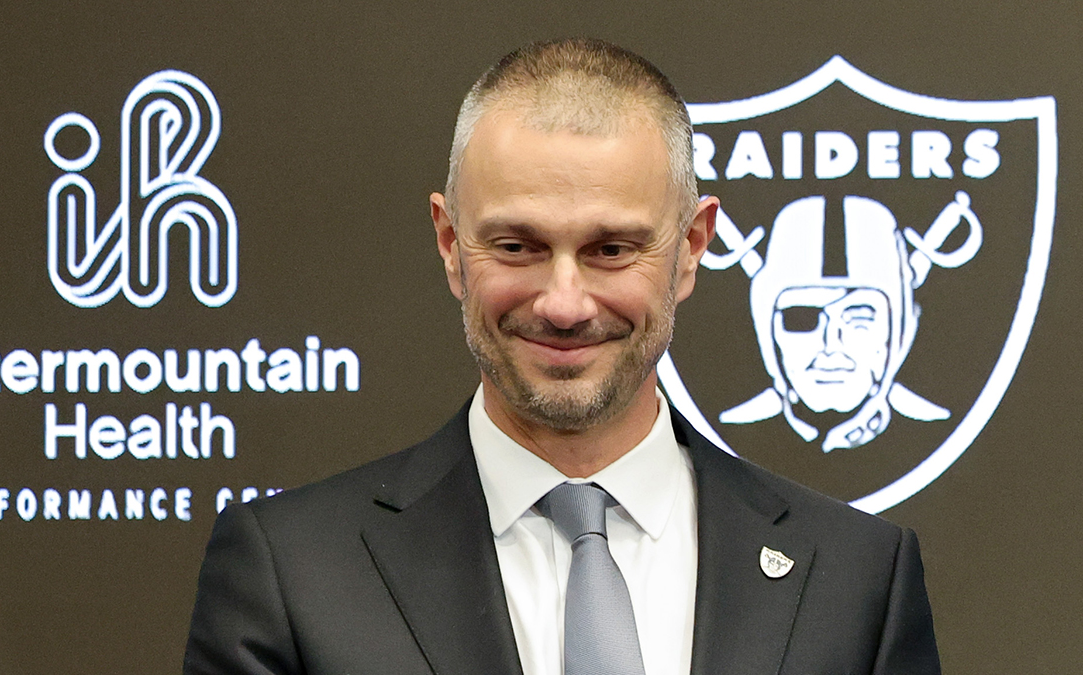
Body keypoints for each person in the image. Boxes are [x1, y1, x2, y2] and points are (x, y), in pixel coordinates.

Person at [184, 38, 940, 675]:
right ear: (450, 242)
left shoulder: (858, 579)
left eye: (612, 249)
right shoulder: (292, 573)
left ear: (691, 247)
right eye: (518, 246)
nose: (565, 303)